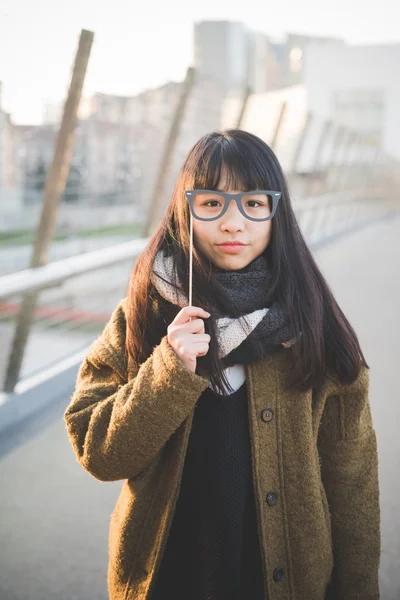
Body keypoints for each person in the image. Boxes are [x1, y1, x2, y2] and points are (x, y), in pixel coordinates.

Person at [63, 129, 381, 600]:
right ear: (183, 211)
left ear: (278, 212)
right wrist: (168, 368)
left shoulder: (315, 325)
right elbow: (101, 454)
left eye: (253, 204)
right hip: (169, 579)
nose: (234, 224)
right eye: (212, 204)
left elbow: (352, 483)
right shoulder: (145, 313)